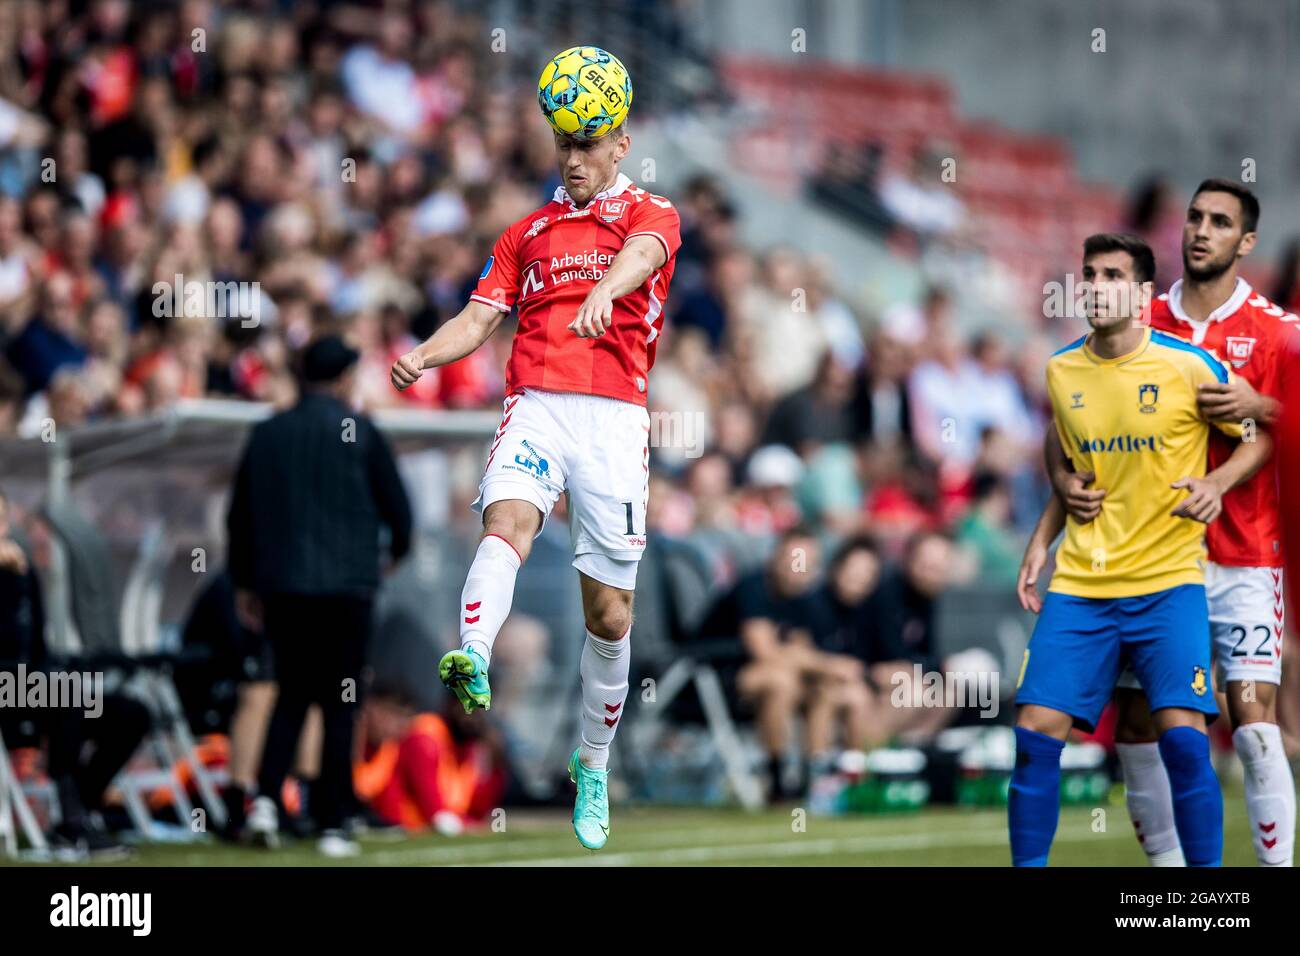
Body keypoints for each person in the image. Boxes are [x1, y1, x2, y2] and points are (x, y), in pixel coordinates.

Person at [390, 93, 680, 850]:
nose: (574, 159)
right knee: (507, 520)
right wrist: (425, 353)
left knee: (609, 615)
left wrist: (606, 293)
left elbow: (642, 258)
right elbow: (481, 315)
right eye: (563, 145)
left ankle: (592, 763)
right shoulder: (526, 233)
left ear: (620, 143)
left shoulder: (654, 214)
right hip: (537, 405)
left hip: (614, 418)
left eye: (588, 145)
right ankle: (473, 659)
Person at [1031, 181, 1298, 867]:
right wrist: (1063, 486)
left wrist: (1261, 404)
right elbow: (1071, 416)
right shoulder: (1135, 313)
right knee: (1142, 726)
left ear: (1246, 243)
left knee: (1253, 719)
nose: (1200, 231)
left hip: (1242, 551)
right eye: (1194, 218)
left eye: (1220, 223)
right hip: (1143, 559)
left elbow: (1281, 427)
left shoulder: (1278, 332)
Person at [228, 334, 412, 856]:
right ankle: (332, 818)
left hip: (284, 588)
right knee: (341, 702)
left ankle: (265, 801)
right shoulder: (363, 433)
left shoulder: (267, 433)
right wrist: (392, 554)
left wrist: (246, 582)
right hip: (347, 589)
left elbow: (239, 518)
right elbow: (399, 513)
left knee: (290, 695)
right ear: (345, 377)